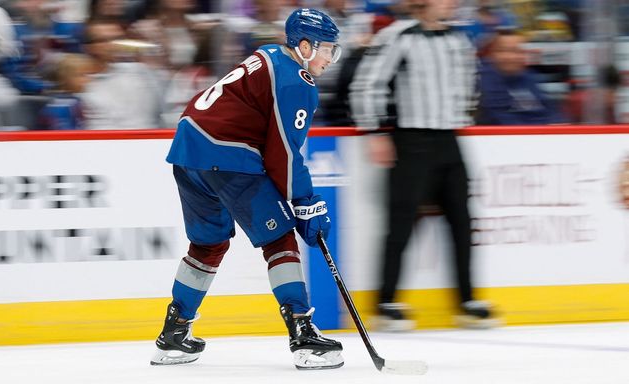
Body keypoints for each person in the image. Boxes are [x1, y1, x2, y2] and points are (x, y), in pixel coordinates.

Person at [151, 8, 345, 370]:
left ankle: (174, 334)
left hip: (187, 149)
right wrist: (307, 202)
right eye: (326, 49)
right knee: (280, 239)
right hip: (225, 154)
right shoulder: (297, 81)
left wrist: (301, 200)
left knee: (208, 245)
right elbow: (284, 154)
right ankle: (302, 334)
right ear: (303, 46)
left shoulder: (269, 53)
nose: (329, 59)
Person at [350, 0, 499, 331]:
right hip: (411, 138)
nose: (452, 3)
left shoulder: (459, 39)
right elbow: (367, 84)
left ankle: (467, 300)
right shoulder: (398, 36)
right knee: (401, 223)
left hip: (449, 137)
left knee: (462, 220)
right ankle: (386, 302)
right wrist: (375, 130)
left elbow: (469, 85)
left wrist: (464, 112)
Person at [476, 28, 566, 125]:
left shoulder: (529, 77)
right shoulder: (485, 81)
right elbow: (502, 121)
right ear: (492, 54)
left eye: (517, 51)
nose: (511, 57)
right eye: (504, 50)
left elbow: (552, 112)